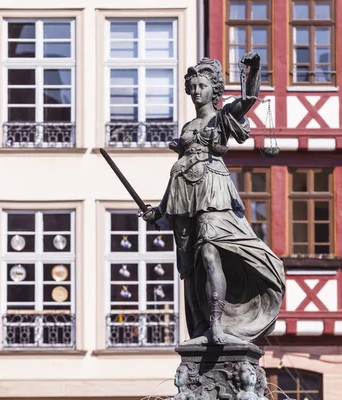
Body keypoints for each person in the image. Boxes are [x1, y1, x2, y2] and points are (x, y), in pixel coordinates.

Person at [142, 53, 285, 345]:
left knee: (209, 251)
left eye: (202, 86)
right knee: (193, 266)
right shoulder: (187, 127)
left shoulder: (221, 117)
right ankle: (203, 325)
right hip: (183, 194)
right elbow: (178, 171)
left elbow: (247, 100)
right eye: (192, 86)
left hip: (212, 190)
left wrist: (254, 69)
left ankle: (218, 324)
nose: (196, 91)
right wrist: (159, 211)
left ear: (214, 90)